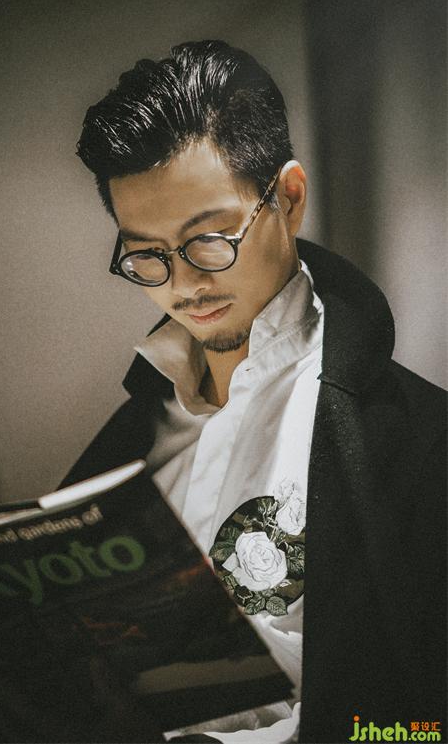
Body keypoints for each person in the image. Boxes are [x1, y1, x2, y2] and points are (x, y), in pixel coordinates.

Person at [59, 40, 447, 743]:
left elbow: (418, 723)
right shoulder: (133, 436)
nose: (183, 285)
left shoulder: (419, 441)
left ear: (289, 198)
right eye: (146, 254)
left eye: (209, 239)